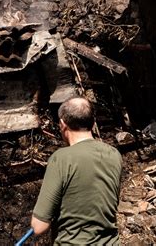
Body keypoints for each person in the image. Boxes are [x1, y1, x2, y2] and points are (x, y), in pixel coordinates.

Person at [31, 97, 123, 245]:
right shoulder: (114, 155)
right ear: (93, 123)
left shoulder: (61, 158)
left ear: (62, 124)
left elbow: (39, 227)